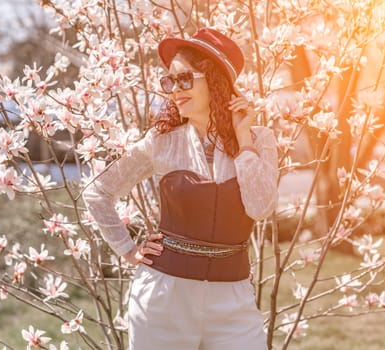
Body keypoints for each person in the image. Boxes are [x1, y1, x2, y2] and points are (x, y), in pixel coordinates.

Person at [83, 27, 278, 350]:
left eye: (185, 79)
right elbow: (98, 192)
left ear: (215, 81)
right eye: (169, 81)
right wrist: (128, 249)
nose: (174, 90)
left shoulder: (260, 140)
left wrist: (244, 142)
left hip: (234, 300)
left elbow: (260, 207)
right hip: (164, 298)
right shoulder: (161, 143)